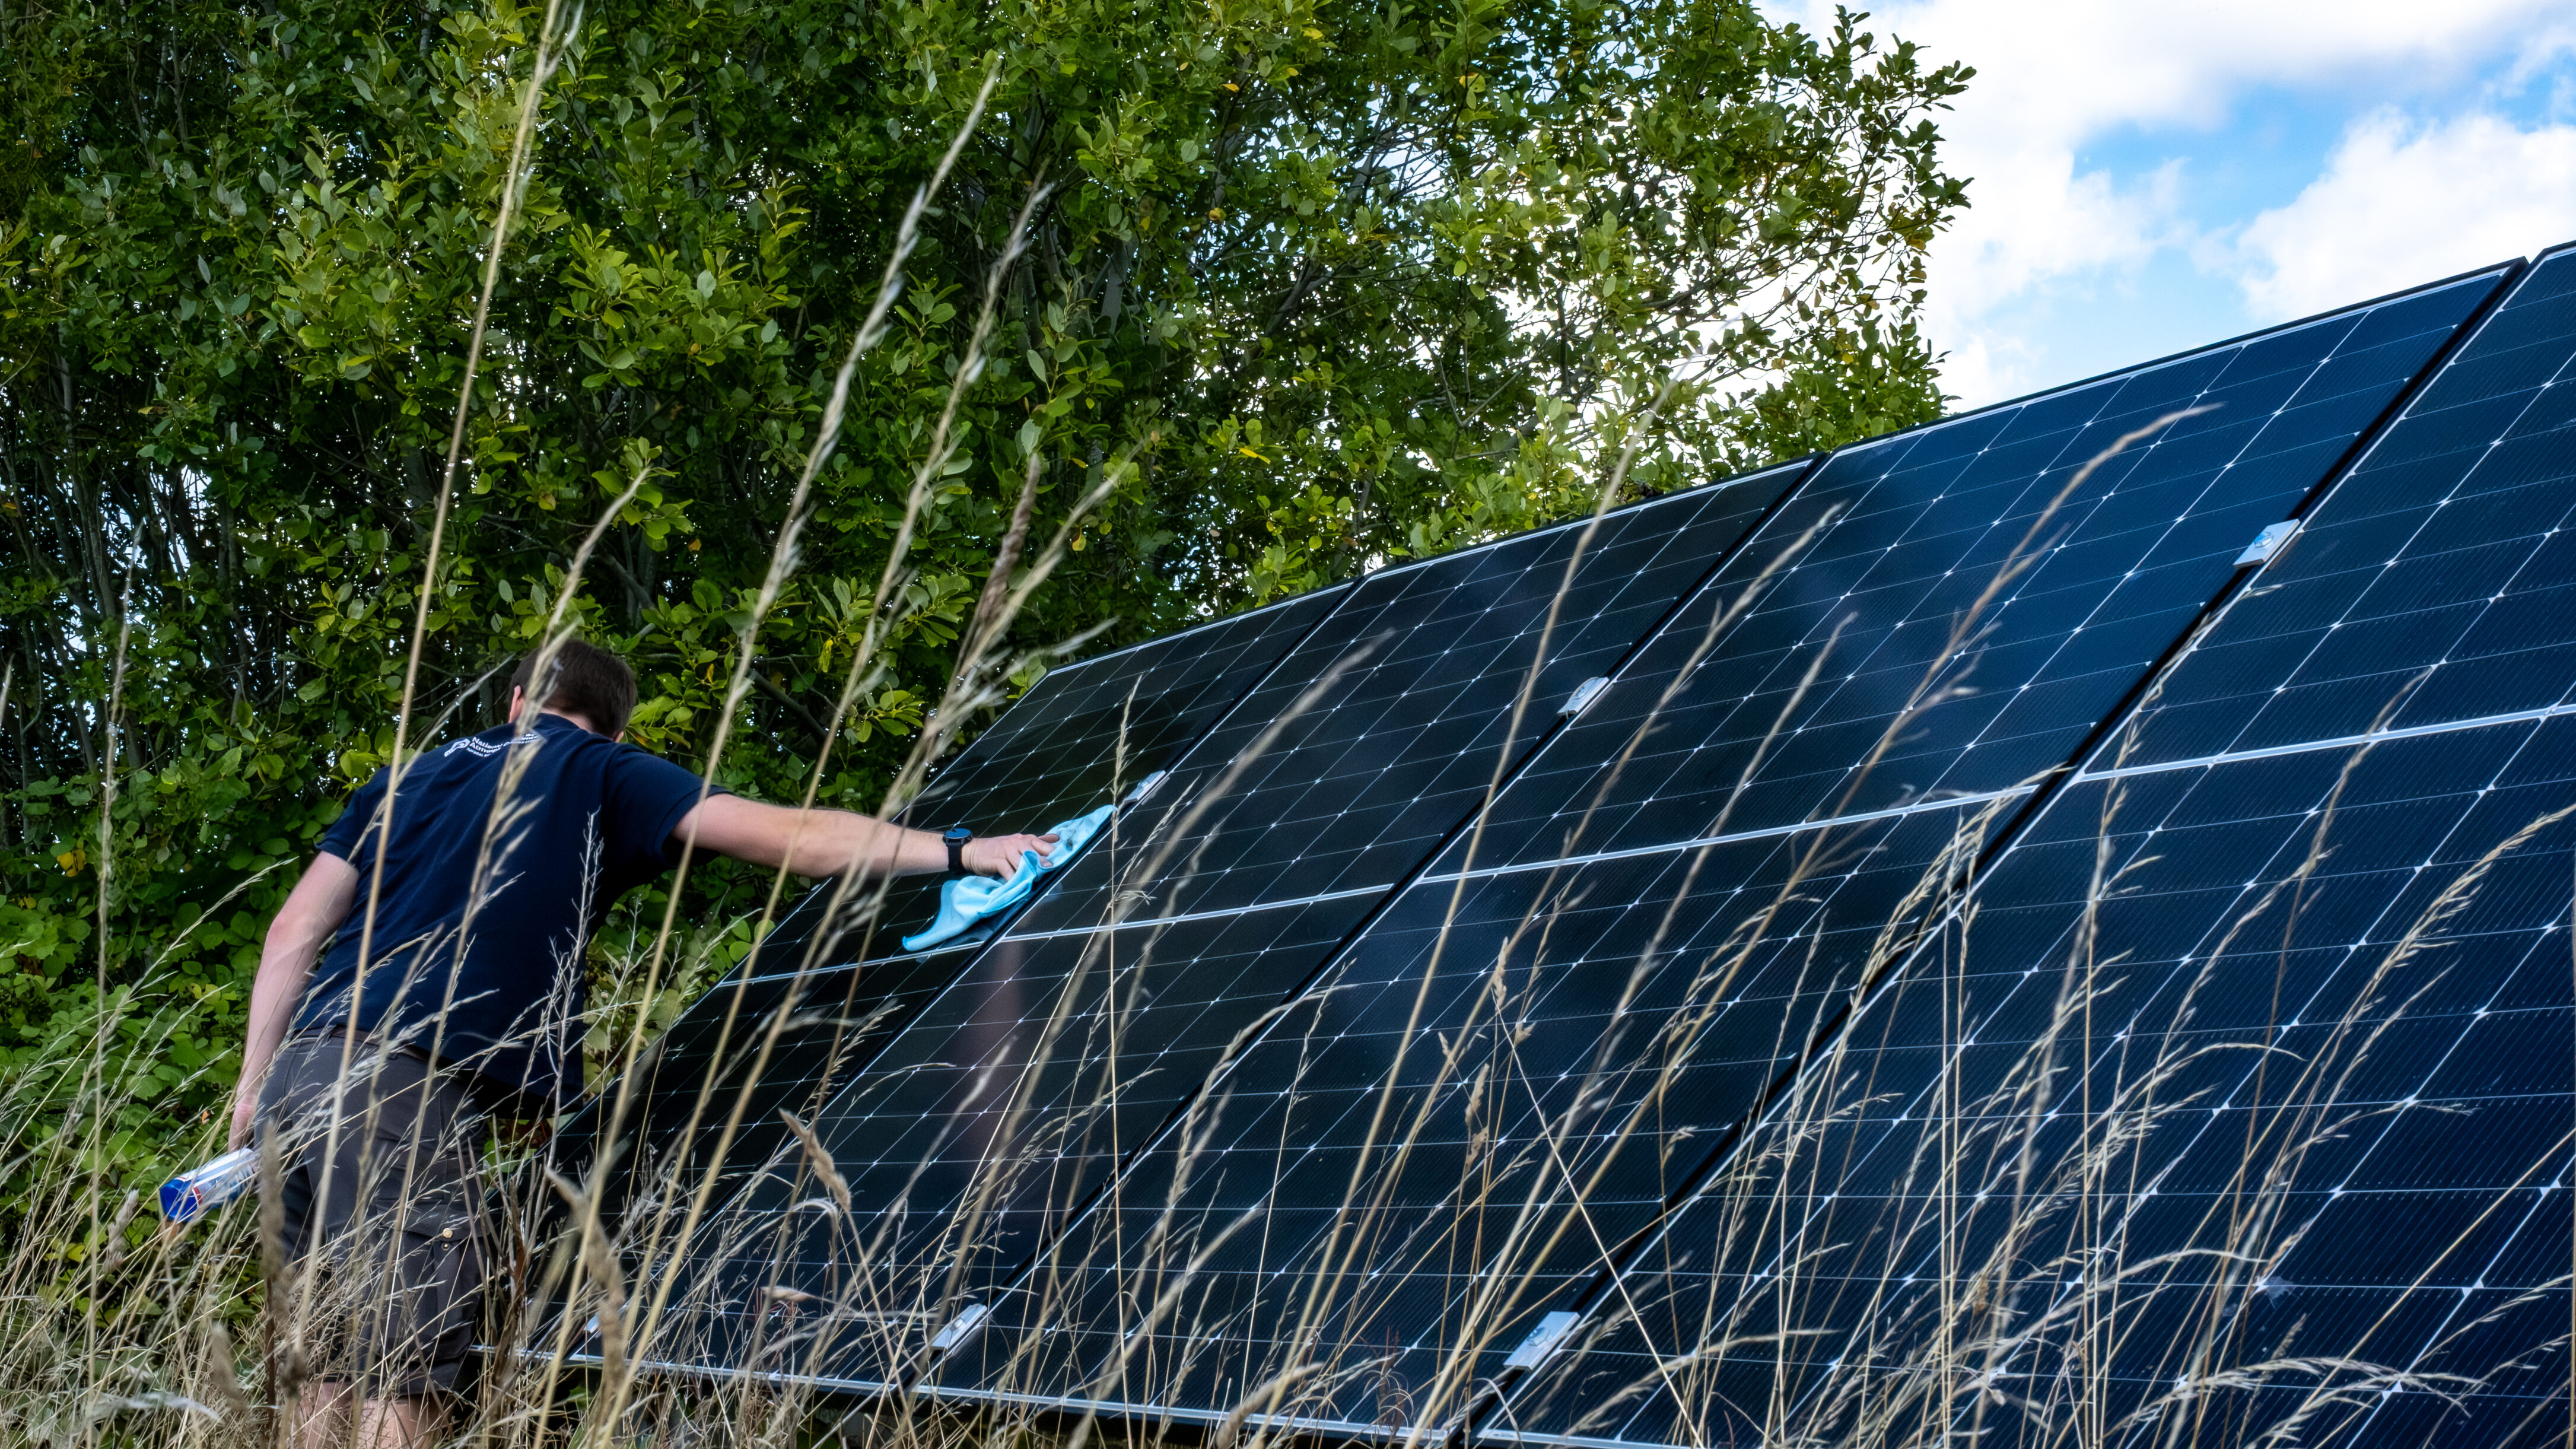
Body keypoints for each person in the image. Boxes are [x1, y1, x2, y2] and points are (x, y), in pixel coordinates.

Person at [224, 639, 1055, 1449]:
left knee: (328, 1363)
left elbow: (293, 929)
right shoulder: (595, 769)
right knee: (404, 1369)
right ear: (615, 728)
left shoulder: (399, 782)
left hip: (302, 1081)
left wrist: (254, 1087)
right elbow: (796, 837)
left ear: (516, 702)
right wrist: (960, 851)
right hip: (398, 1094)